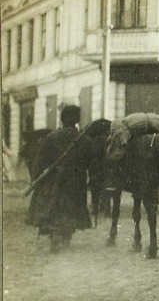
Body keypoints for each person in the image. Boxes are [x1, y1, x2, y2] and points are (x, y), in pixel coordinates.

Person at [30, 105, 93, 253]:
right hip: (77, 181)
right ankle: (66, 237)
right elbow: (91, 162)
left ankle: (54, 234)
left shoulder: (52, 137)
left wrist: (37, 178)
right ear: (77, 120)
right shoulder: (84, 139)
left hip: (54, 179)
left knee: (54, 206)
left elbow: (39, 161)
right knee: (72, 208)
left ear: (62, 119)